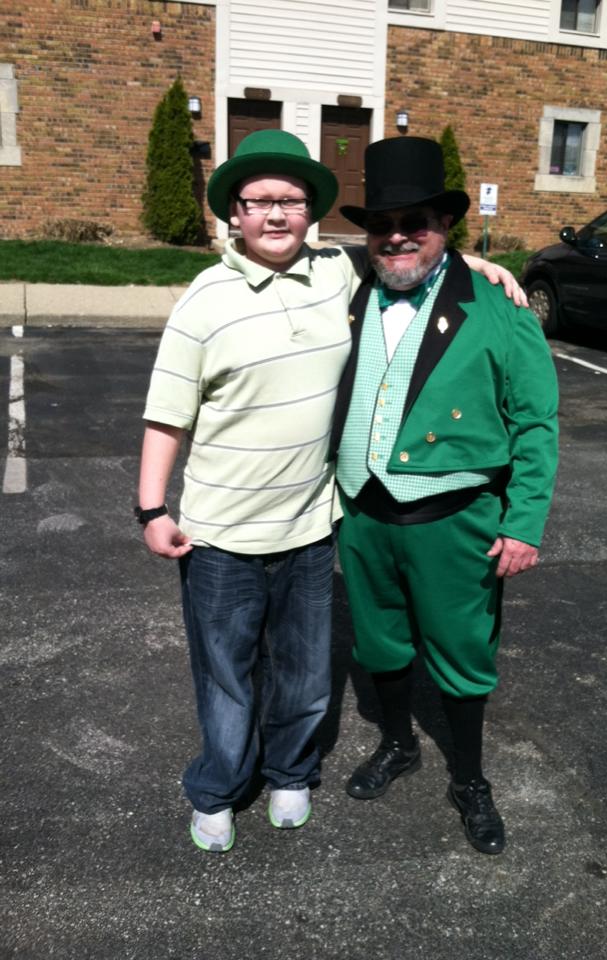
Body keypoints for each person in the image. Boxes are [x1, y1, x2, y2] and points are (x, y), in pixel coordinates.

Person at [136, 129, 526, 854]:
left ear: (311, 212)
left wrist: (470, 263)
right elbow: (167, 413)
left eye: (290, 201)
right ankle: (224, 786)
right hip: (236, 528)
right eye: (259, 201)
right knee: (234, 673)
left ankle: (319, 772)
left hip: (321, 525)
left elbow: (413, 261)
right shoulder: (221, 297)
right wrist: (152, 507)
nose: (275, 214)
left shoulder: (341, 276)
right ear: (235, 212)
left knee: (315, 671)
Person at [330, 136, 559, 856]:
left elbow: (536, 422)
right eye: (382, 225)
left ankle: (469, 779)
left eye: (415, 223)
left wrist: (523, 523)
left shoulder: (498, 308)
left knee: (462, 655)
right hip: (361, 512)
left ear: (445, 226)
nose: (397, 236)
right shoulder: (349, 291)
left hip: (455, 520)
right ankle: (399, 744)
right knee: (379, 642)